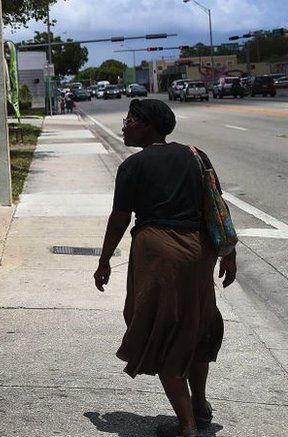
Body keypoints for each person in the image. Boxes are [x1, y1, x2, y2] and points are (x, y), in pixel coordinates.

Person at [93, 99, 236, 437]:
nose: (124, 125)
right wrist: (228, 253)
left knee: (163, 333)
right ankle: (199, 407)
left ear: (148, 126)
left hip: (159, 255)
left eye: (130, 120)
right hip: (198, 253)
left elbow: (119, 219)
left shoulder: (133, 167)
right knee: (196, 326)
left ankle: (186, 426)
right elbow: (216, 206)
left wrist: (104, 261)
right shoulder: (195, 155)